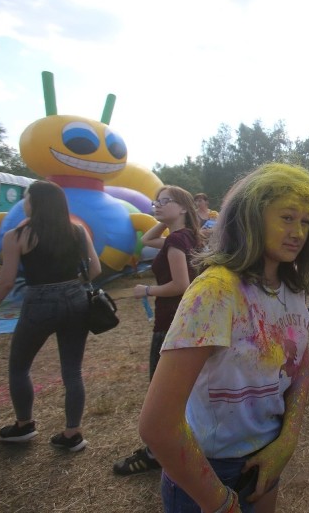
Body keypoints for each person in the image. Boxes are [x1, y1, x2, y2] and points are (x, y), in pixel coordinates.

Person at [138, 164, 309, 513]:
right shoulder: (215, 292)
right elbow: (158, 425)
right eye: (287, 217)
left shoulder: (293, 288)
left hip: (264, 459)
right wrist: (220, 501)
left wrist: (286, 442)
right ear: (250, 217)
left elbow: (298, 367)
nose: (298, 232)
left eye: (305, 221)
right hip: (209, 470)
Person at [0, 180, 101, 451]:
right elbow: (96, 270)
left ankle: (24, 425)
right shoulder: (78, 232)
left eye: (26, 197)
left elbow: (6, 281)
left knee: (19, 366)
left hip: (39, 303)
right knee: (72, 370)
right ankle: (72, 433)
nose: (25, 202)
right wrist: (73, 287)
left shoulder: (17, 236)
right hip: (76, 300)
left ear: (36, 202)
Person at [113, 185, 201, 476]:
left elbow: (181, 285)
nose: (157, 206)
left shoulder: (176, 240)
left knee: (160, 392)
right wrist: (164, 218)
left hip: (170, 321)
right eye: (156, 202)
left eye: (166, 202)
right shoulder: (187, 237)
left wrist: (146, 289)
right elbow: (147, 240)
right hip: (188, 320)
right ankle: (181, 444)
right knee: (183, 390)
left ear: (184, 207)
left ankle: (155, 454)